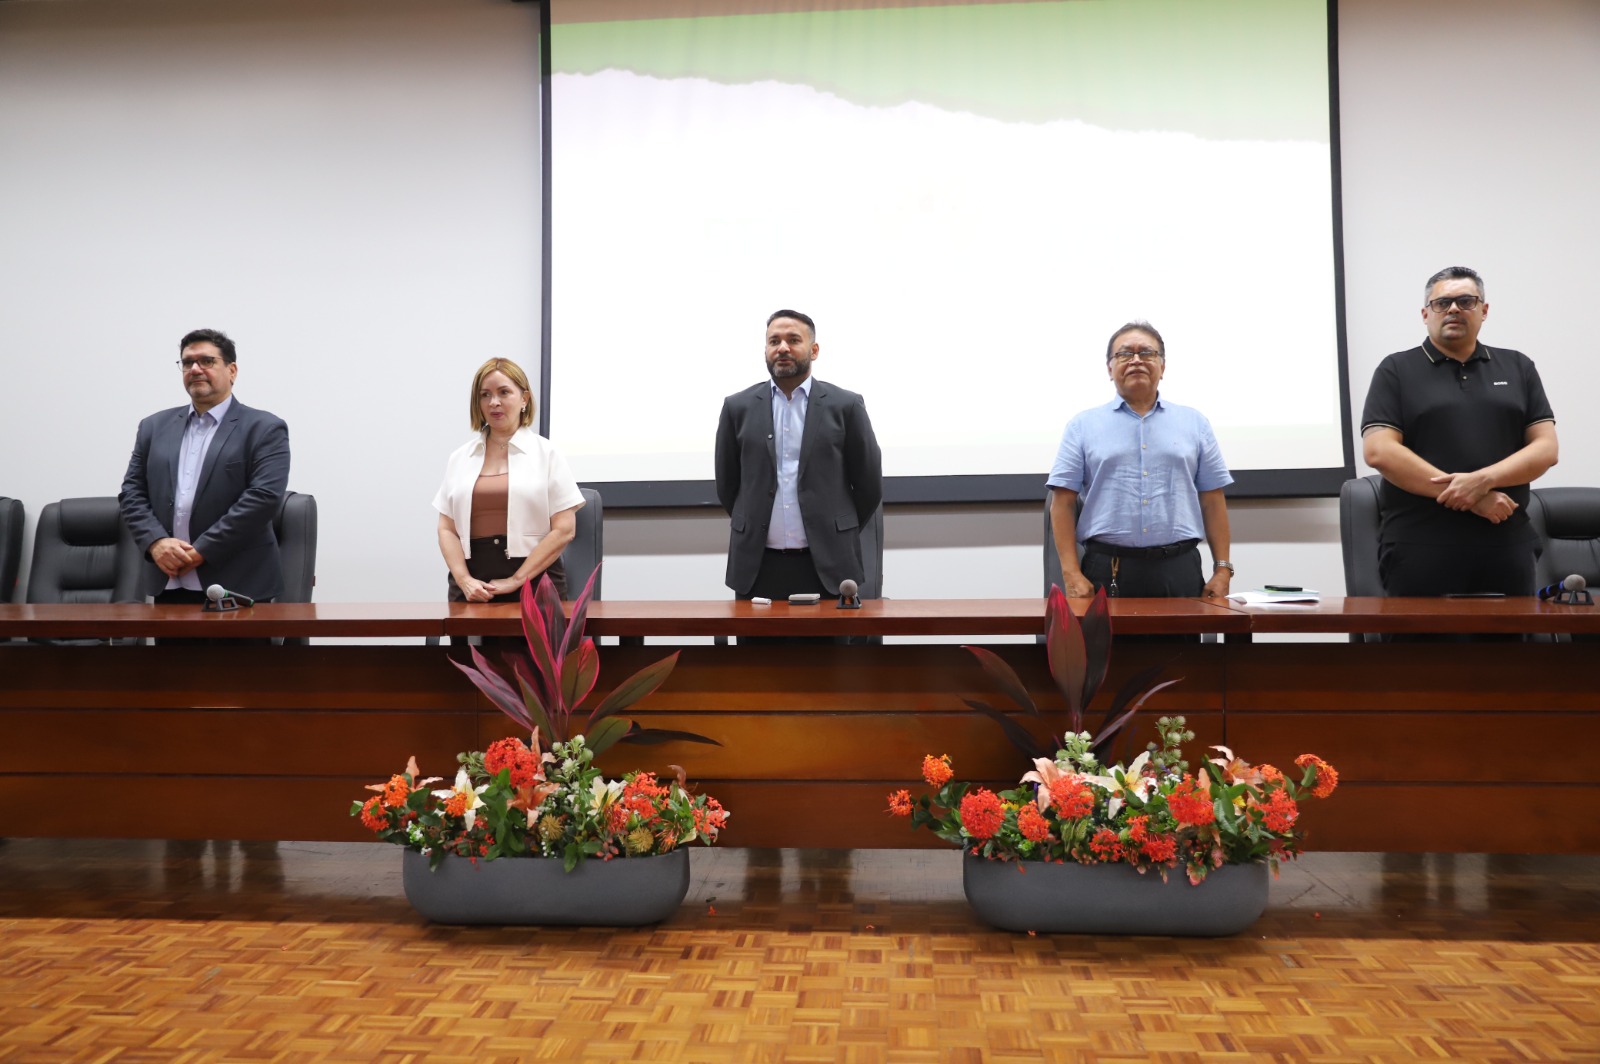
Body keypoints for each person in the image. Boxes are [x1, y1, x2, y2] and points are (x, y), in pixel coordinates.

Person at [1360, 266, 1558, 596]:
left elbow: (1546, 449)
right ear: (1425, 314)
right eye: (1442, 303)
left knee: (1512, 634)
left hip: (1506, 540)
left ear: (1484, 310)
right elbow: (1379, 451)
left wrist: (1482, 481)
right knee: (1421, 634)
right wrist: (1474, 497)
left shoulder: (1518, 366)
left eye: (1466, 301)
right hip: (1419, 544)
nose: (1453, 309)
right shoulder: (1395, 369)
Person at [1047, 321, 1234, 599]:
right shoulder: (1082, 426)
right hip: (1107, 568)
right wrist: (1071, 573)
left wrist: (1223, 569)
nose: (1136, 360)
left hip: (1179, 568)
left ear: (1163, 366)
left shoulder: (1195, 423)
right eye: (1125, 354)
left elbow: (1212, 500)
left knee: (1184, 632)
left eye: (1147, 353)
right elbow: (1062, 503)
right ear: (1109, 368)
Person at [715, 309, 883, 601]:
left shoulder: (846, 406)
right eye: (774, 341)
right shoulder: (737, 407)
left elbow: (869, 485)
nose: (782, 348)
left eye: (793, 340)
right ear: (765, 350)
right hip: (757, 565)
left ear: (814, 350)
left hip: (829, 565)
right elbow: (728, 485)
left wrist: (835, 527)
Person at [119, 328, 291, 605]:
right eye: (188, 363)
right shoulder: (153, 427)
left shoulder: (264, 428)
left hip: (238, 585)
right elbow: (131, 493)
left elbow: (263, 498)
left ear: (232, 370)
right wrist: (155, 542)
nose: (195, 369)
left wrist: (202, 550)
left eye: (207, 361)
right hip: (169, 581)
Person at [434, 357, 585, 602]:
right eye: (485, 395)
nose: (494, 402)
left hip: (535, 579)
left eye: (504, 392)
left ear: (524, 399)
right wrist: (464, 580)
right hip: (473, 585)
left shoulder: (547, 454)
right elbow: (446, 529)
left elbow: (564, 529)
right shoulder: (460, 458)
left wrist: (516, 580)